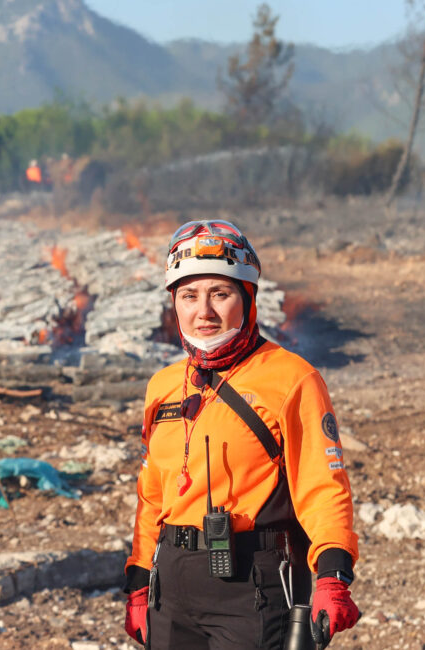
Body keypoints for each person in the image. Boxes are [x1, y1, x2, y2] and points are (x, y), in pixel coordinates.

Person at [122, 220, 361, 649]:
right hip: (171, 587)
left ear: (247, 298)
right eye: (189, 296)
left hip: (254, 585)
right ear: (174, 304)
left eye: (220, 294)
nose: (204, 312)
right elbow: (152, 496)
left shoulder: (293, 378)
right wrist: (139, 581)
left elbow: (324, 488)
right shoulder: (161, 386)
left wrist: (332, 575)